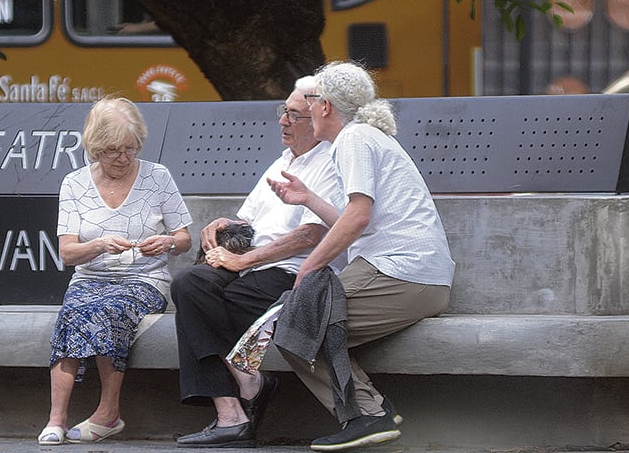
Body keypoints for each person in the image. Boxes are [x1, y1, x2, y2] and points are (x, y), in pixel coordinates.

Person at [268, 61, 455, 452]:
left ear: (324, 106)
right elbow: (356, 219)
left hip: (399, 273)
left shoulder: (354, 140)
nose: (303, 108)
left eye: (310, 99)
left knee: (295, 322)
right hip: (413, 276)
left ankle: (367, 415)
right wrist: (309, 199)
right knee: (300, 319)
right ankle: (373, 409)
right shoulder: (363, 138)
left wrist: (311, 263)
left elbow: (358, 216)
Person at [171, 76, 346, 448]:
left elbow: (310, 235)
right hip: (251, 266)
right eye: (283, 111)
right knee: (189, 285)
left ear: (316, 118)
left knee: (204, 310)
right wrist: (225, 225)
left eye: (294, 115)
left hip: (292, 273)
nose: (282, 120)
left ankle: (230, 415)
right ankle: (247, 386)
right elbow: (250, 223)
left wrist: (242, 261)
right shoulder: (281, 161)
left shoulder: (330, 162)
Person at [37, 97, 193, 446]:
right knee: (74, 311)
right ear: (95, 148)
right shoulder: (74, 184)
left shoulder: (157, 176)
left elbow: (185, 239)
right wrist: (100, 245)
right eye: (113, 151)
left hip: (144, 279)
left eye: (130, 149)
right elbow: (67, 253)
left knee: (109, 309)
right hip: (91, 277)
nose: (123, 158)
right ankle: (56, 419)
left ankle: (108, 414)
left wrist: (166, 242)